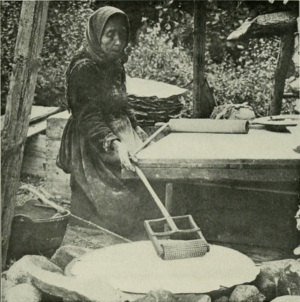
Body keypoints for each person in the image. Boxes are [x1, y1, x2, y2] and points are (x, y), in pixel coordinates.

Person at [57, 6, 162, 239]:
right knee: (102, 197)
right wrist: (115, 144)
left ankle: (128, 236)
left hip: (118, 129)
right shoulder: (83, 68)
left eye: (122, 34)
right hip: (92, 139)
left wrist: (135, 127)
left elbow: (122, 103)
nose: (117, 41)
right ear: (96, 35)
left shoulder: (115, 63)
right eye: (110, 34)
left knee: (139, 177)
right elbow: (88, 116)